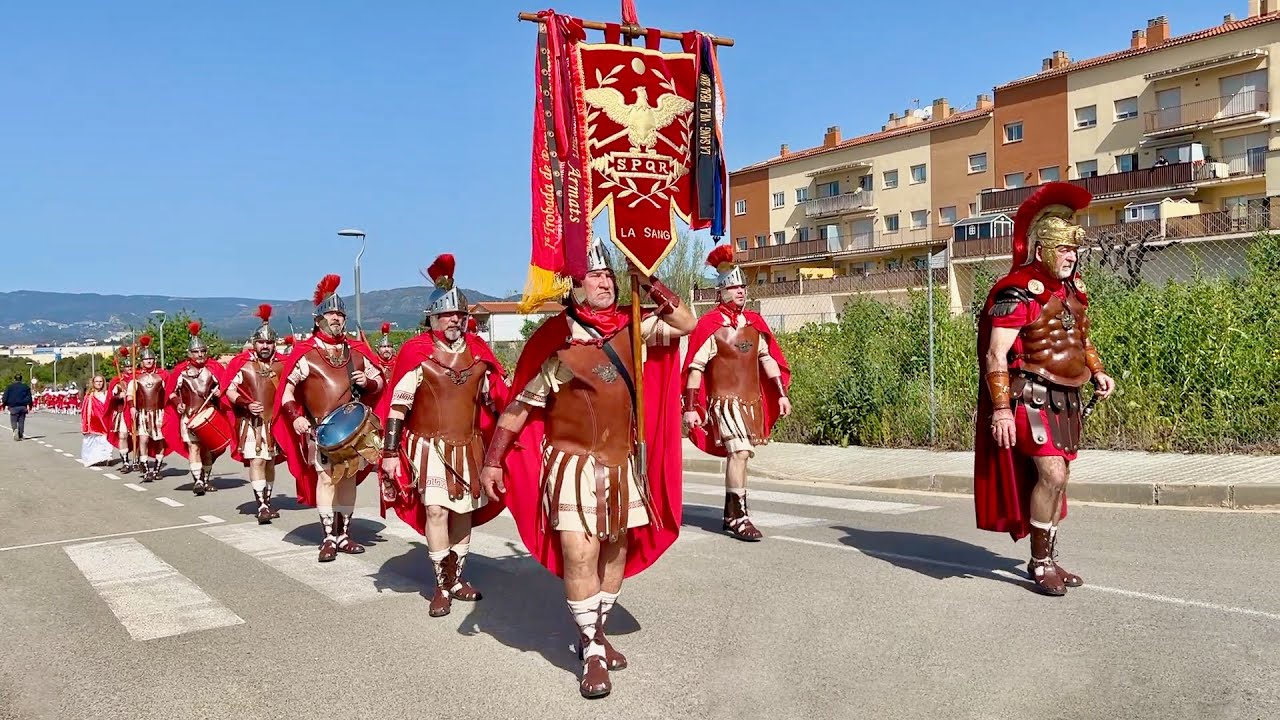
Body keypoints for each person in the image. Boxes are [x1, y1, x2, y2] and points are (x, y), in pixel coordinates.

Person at [479, 238, 695, 699]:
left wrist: (650, 282)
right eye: (595, 275)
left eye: (608, 275)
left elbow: (685, 322)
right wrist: (494, 458)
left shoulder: (633, 326)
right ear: (574, 287)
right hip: (571, 464)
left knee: (615, 552)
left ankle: (595, 631)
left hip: (620, 462)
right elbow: (519, 408)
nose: (605, 282)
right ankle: (592, 648)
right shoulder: (555, 343)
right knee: (581, 554)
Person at [974, 181, 1116, 597]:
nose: (1071, 257)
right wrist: (1001, 410)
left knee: (1061, 478)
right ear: (1042, 251)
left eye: (1074, 250)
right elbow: (995, 354)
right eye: (1063, 250)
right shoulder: (1017, 291)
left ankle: (1049, 556)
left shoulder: (1073, 292)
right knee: (1050, 472)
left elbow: (1080, 340)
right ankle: (1038, 563)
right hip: (1031, 395)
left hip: (1067, 397)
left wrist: (1098, 369)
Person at [377, 254, 510, 617]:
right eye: (448, 315)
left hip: (469, 444)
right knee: (436, 510)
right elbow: (397, 406)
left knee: (463, 511)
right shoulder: (415, 353)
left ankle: (457, 578)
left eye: (460, 315)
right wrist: (390, 453)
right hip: (427, 446)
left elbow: (495, 399)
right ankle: (442, 583)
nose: (455, 320)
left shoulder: (480, 354)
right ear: (432, 319)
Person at [273, 274, 386, 562]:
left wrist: (368, 382)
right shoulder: (306, 354)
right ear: (319, 318)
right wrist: (296, 416)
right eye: (331, 313)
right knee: (325, 481)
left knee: (347, 480)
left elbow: (380, 382)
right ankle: (328, 538)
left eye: (340, 314)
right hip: (320, 429)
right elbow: (286, 390)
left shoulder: (357, 352)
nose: (336, 318)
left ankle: (344, 534)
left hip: (352, 431)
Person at [682, 244, 792, 541]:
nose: (741, 291)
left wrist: (781, 394)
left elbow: (768, 359)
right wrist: (691, 407)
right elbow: (695, 367)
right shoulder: (710, 325)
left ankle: (733, 512)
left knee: (743, 455)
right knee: (740, 452)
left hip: (750, 401)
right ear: (721, 291)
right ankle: (737, 515)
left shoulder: (755, 323)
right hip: (725, 402)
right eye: (734, 287)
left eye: (743, 286)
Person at [223, 305, 285, 523]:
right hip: (252, 424)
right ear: (254, 343)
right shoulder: (243, 365)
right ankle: (261, 505)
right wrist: (245, 403)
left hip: (275, 423)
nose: (265, 346)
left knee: (270, 462)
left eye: (269, 342)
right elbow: (229, 390)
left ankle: (267, 501)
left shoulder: (282, 365)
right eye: (261, 342)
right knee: (257, 461)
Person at [163, 322, 228, 496]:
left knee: (207, 449)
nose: (200, 355)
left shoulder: (213, 369)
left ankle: (205, 480)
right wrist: (178, 403)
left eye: (202, 351)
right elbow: (171, 393)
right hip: (189, 415)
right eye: (196, 352)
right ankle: (198, 480)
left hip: (209, 415)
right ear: (189, 353)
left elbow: (225, 390)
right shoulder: (181, 372)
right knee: (194, 447)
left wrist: (219, 393)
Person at [122, 337, 168, 481]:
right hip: (142, 413)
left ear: (154, 360)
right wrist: (131, 408)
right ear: (141, 361)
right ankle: (146, 468)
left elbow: (167, 394)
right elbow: (130, 395)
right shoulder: (136, 378)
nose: (149, 361)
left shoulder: (162, 376)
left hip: (158, 413)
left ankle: (157, 468)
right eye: (146, 359)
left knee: (160, 440)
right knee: (143, 439)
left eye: (151, 359)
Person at [107, 348, 136, 469]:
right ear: (123, 368)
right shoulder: (117, 381)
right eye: (127, 366)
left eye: (131, 366)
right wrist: (119, 395)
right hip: (123, 412)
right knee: (123, 436)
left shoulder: (138, 378)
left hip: (136, 410)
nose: (129, 368)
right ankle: (125, 461)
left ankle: (138, 460)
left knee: (138, 437)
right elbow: (111, 398)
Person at [80, 374, 115, 466]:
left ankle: (107, 457)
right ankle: (94, 458)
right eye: (97, 382)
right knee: (93, 440)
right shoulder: (89, 395)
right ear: (93, 383)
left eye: (100, 381)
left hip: (105, 420)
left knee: (105, 439)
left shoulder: (107, 393)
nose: (99, 383)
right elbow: (85, 410)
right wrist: (85, 423)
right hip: (93, 422)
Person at [2, 373, 33, 441]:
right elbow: (29, 397)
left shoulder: (9, 387)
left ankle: (15, 429)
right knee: (21, 421)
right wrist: (30, 405)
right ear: (21, 379)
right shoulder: (25, 387)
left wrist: (4, 404)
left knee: (13, 420)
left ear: (14, 379)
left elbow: (5, 397)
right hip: (23, 406)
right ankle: (20, 434)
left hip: (13, 406)